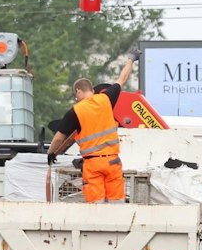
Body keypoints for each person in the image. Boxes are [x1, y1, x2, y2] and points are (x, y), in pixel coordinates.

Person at [45, 56, 135, 204]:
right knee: (117, 204)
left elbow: (59, 138)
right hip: (112, 161)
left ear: (78, 91)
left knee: (95, 206)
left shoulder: (75, 111)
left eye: (75, 95)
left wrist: (51, 153)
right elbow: (122, 79)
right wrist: (131, 59)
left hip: (93, 165)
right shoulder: (106, 99)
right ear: (92, 90)